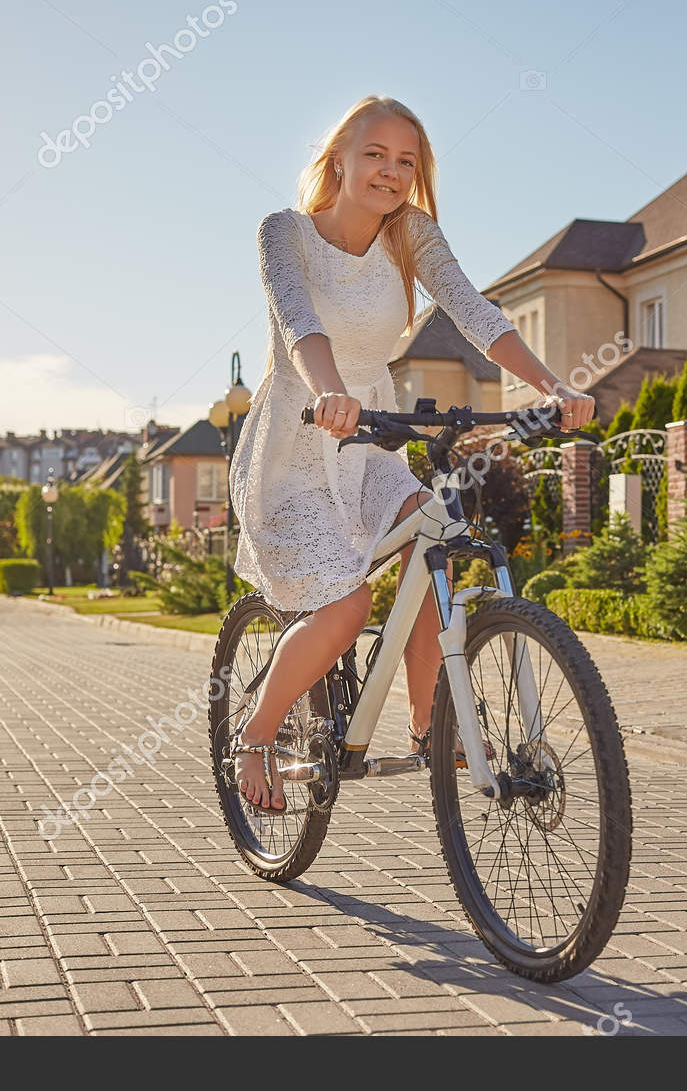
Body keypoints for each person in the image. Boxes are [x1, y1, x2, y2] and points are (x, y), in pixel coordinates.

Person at [230, 94, 593, 814]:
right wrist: (331, 394)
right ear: (338, 158)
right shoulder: (285, 233)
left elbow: (474, 311)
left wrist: (551, 385)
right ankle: (255, 731)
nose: (391, 172)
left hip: (369, 443)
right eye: (375, 155)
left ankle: (432, 724)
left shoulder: (411, 235)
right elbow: (300, 324)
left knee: (435, 536)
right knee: (346, 605)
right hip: (298, 440)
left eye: (406, 161)